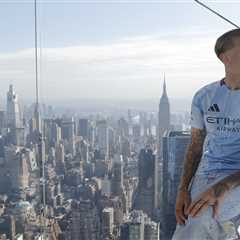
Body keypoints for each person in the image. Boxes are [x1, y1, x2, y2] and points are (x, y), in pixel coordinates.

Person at [172, 28, 240, 240]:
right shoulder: (204, 97)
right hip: (208, 173)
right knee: (187, 227)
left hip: (236, 176)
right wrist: (183, 189)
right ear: (225, 57)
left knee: (206, 219)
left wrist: (222, 188)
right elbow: (195, 146)